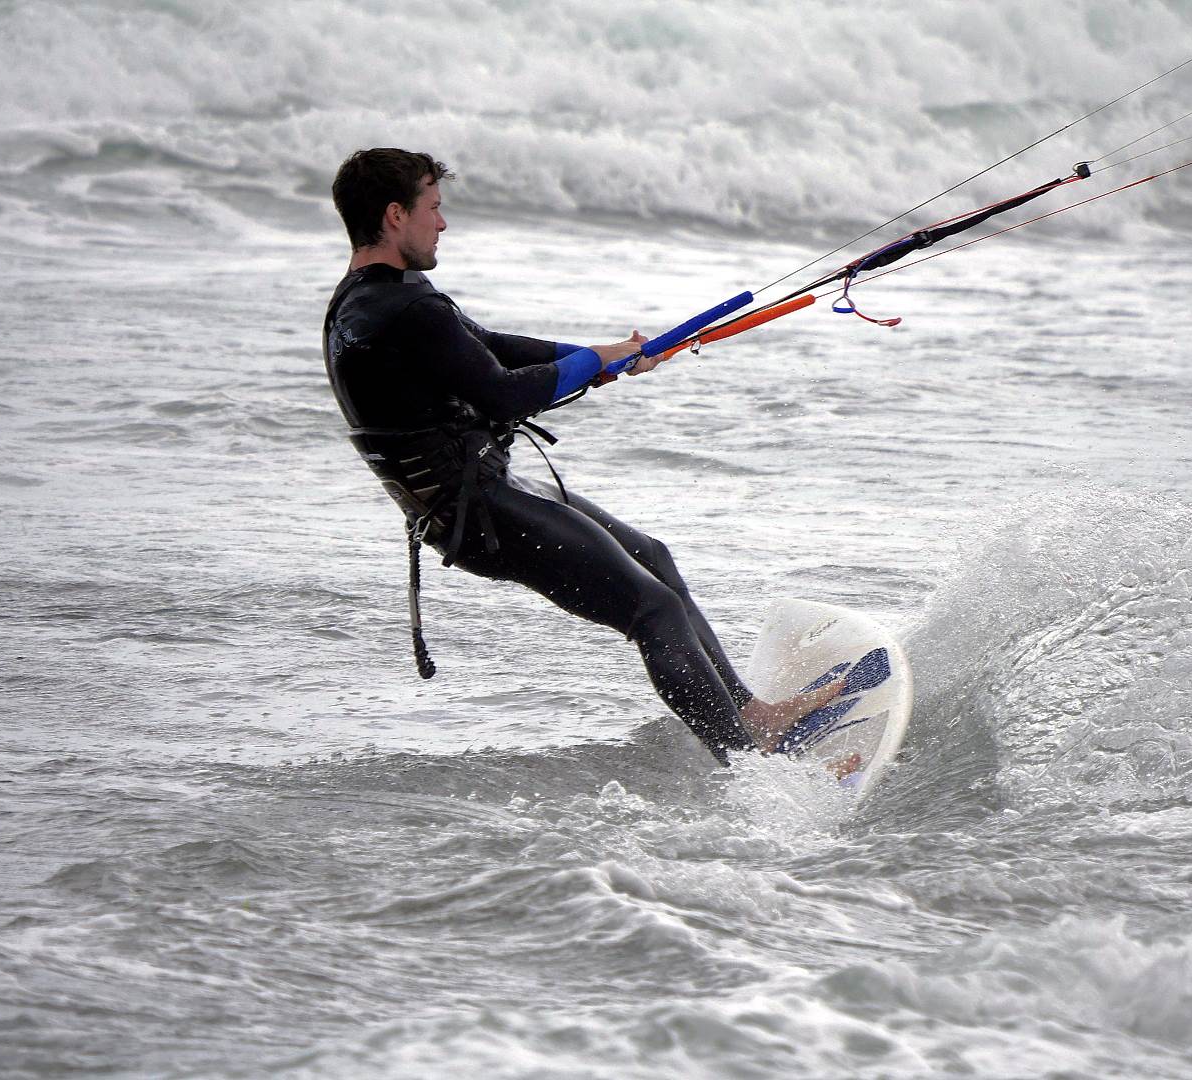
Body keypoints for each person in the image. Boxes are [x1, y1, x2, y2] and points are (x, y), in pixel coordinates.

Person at [322, 148, 843, 767]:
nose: (443, 224)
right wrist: (593, 363)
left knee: (652, 558)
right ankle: (751, 759)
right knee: (653, 609)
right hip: (480, 512)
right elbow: (501, 390)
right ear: (393, 216)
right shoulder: (406, 310)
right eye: (433, 208)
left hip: (474, 496)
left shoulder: (370, 300)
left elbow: (488, 348)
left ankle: (749, 714)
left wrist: (610, 353)